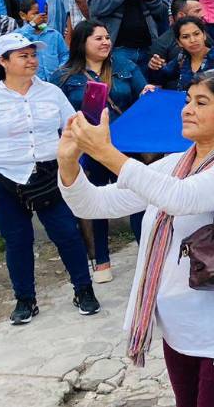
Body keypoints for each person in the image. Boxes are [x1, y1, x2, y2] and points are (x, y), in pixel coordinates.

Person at [58, 71, 214, 407]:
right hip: (179, 327)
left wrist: (105, 151)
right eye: (187, 100)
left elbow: (179, 198)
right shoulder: (175, 164)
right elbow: (97, 203)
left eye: (202, 102)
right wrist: (68, 161)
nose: (187, 109)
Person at [0, 32, 99, 325]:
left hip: (48, 174)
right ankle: (25, 300)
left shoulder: (52, 93)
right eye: (23, 56)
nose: (31, 61)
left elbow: (71, 129)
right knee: (17, 240)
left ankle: (84, 289)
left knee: (67, 233)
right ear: (3, 61)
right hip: (3, 178)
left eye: (33, 55)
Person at [52, 20, 151, 282]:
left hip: (126, 148)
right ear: (82, 42)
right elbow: (57, 116)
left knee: (137, 199)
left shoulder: (124, 65)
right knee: (95, 203)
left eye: (107, 37)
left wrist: (148, 92)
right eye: (98, 38)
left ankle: (147, 255)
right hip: (89, 149)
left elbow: (143, 93)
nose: (106, 42)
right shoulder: (64, 76)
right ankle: (102, 260)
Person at [147, 17, 214, 91]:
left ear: (204, 35)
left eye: (196, 34)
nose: (193, 40)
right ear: (179, 42)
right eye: (185, 37)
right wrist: (155, 67)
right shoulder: (182, 59)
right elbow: (161, 78)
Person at [16, 0, 69, 80]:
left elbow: (65, 55)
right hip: (30, 84)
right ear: (23, 15)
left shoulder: (54, 35)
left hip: (54, 83)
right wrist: (32, 24)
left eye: (45, 13)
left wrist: (59, 71)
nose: (41, 17)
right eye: (35, 13)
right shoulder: (19, 35)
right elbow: (18, 40)